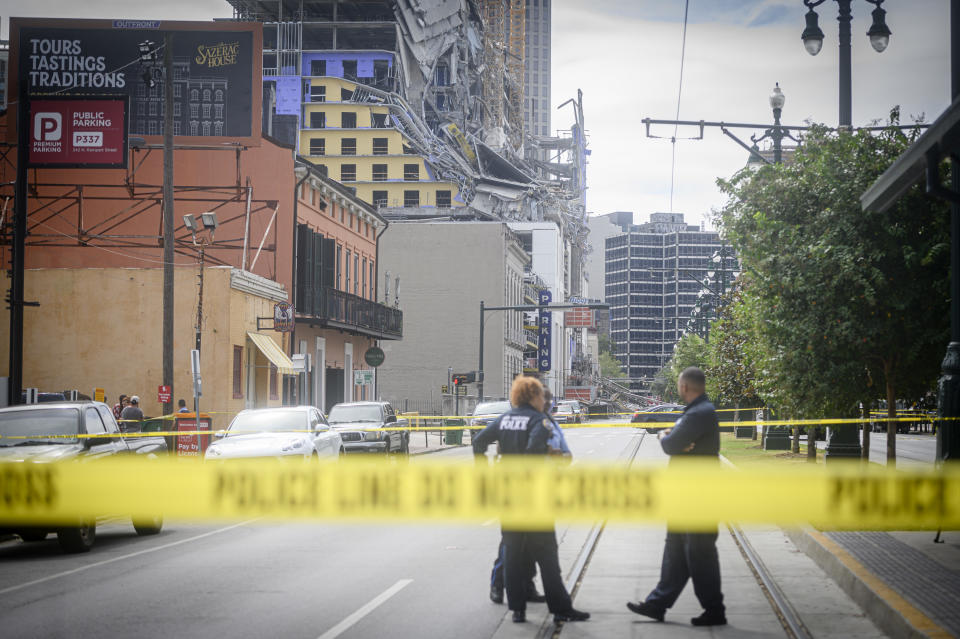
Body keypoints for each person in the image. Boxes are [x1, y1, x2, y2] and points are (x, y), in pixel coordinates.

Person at [472, 376, 590, 625]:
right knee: (547, 556)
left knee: (513, 554)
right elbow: (534, 450)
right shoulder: (540, 421)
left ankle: (518, 611)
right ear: (534, 396)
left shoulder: (505, 419)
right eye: (541, 396)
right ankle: (561, 608)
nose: (543, 400)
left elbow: (478, 441)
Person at [626, 366, 726, 627]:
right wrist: (671, 436)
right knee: (676, 551)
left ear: (684, 387)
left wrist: (667, 436)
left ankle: (715, 609)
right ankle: (657, 604)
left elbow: (670, 445)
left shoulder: (699, 413)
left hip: (699, 496)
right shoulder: (694, 412)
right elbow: (674, 441)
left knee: (700, 552)